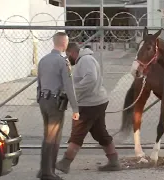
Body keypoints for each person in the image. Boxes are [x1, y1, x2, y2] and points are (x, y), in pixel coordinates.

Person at [55, 43, 121, 174]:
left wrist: (72, 91)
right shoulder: (86, 59)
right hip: (96, 101)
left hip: (89, 104)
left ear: (72, 52)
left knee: (77, 133)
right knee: (100, 133)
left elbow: (91, 79)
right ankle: (114, 162)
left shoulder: (85, 60)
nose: (68, 59)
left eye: (68, 56)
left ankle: (65, 163)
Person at [36, 32, 80, 180]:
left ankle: (44, 169)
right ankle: (48, 173)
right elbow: (69, 86)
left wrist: (40, 99)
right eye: (67, 42)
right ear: (64, 43)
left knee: (47, 135)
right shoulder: (63, 61)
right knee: (53, 137)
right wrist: (75, 108)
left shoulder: (43, 60)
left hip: (43, 100)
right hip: (55, 103)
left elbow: (39, 83)